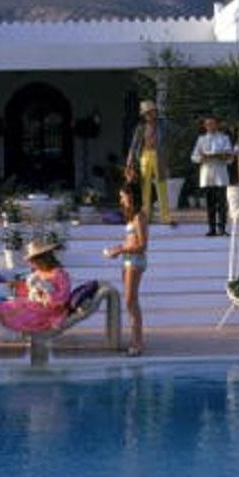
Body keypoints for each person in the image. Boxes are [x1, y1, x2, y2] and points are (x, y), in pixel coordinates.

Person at [104, 185, 148, 356]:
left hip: (135, 261)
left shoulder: (139, 217)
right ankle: (135, 340)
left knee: (131, 301)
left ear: (132, 197)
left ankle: (138, 343)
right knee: (130, 302)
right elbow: (131, 241)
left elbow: (142, 246)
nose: (121, 200)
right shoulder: (131, 217)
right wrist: (118, 249)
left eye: (123, 197)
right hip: (128, 260)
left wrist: (120, 250)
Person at [0, 238, 72, 334]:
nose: (31, 264)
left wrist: (46, 293)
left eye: (32, 261)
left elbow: (62, 298)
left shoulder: (59, 274)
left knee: (8, 307)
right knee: (4, 306)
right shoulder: (39, 273)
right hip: (36, 305)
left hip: (48, 312)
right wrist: (17, 286)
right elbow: (30, 289)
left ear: (42, 259)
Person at [126, 100, 174, 226]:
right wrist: (130, 160)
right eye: (147, 113)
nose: (150, 115)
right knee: (144, 186)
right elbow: (134, 144)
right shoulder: (141, 127)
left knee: (161, 185)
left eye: (152, 112)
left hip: (159, 155)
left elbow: (174, 135)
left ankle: (165, 216)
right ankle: (146, 215)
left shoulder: (163, 125)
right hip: (144, 155)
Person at [191, 116, 234, 236]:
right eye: (208, 124)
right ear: (204, 126)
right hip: (207, 174)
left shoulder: (224, 138)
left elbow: (229, 156)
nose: (210, 126)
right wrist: (202, 158)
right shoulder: (201, 139)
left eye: (213, 123)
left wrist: (222, 156)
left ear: (217, 124)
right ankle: (211, 228)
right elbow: (194, 156)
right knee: (210, 203)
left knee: (222, 203)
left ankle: (222, 228)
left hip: (220, 174)